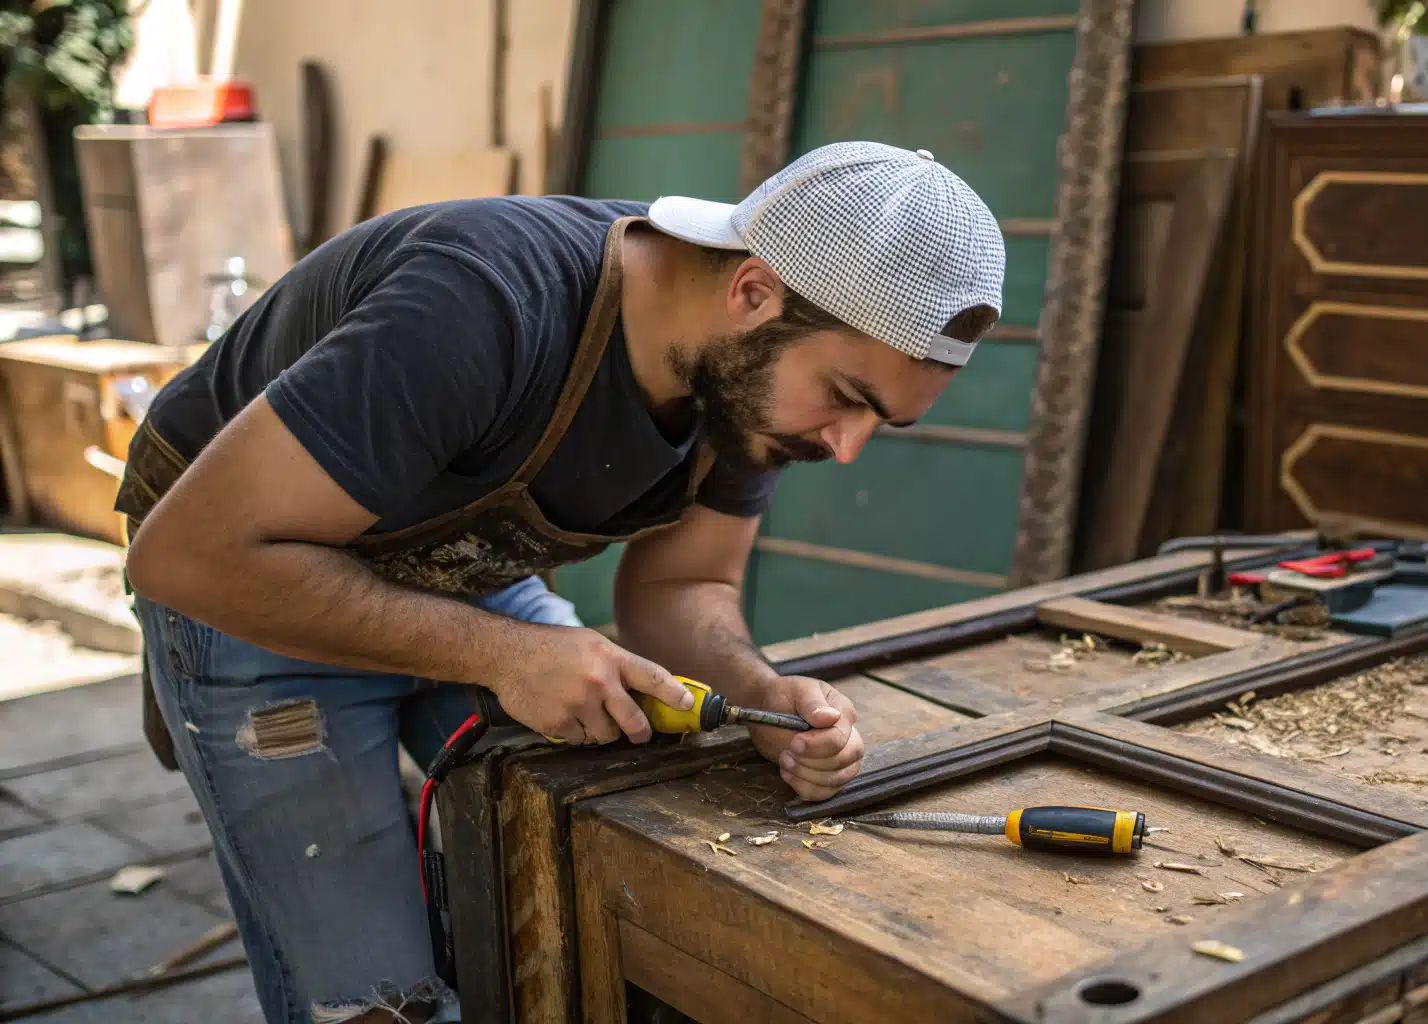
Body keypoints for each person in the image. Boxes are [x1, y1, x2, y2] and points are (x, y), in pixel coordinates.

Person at [117, 141, 1005, 1024]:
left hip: (461, 573)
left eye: (881, 420)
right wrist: (505, 653)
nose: (846, 445)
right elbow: (188, 557)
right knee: (376, 1005)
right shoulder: (481, 305)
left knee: (599, 863)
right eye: (846, 397)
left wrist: (760, 692)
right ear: (752, 292)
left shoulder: (743, 381)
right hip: (246, 579)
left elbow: (680, 584)